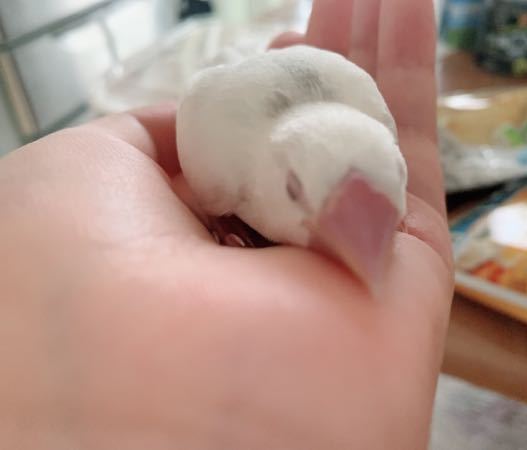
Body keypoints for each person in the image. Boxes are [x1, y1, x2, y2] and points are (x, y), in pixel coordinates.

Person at [0, 0, 453, 448]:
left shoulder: (372, 116)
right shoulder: (219, 163)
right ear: (277, 177)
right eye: (297, 191)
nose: (364, 249)